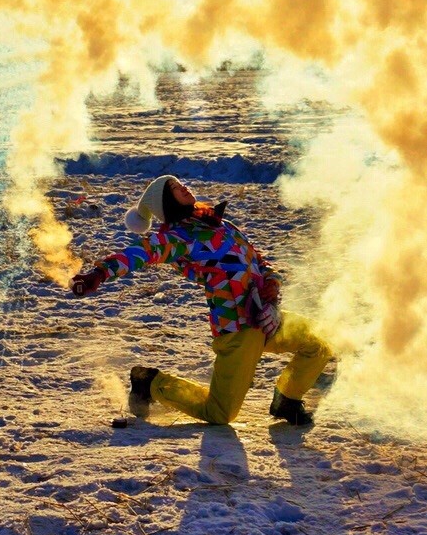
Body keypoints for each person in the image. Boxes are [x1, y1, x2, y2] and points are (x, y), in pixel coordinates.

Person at [68, 174, 334, 426]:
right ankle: (150, 383)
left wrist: (272, 285)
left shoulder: (220, 224)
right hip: (237, 327)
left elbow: (257, 259)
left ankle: (287, 400)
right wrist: (99, 274)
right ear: (167, 203)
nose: (183, 187)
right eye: (174, 188)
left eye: (180, 183)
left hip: (266, 316)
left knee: (320, 341)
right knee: (220, 413)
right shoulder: (178, 238)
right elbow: (141, 252)